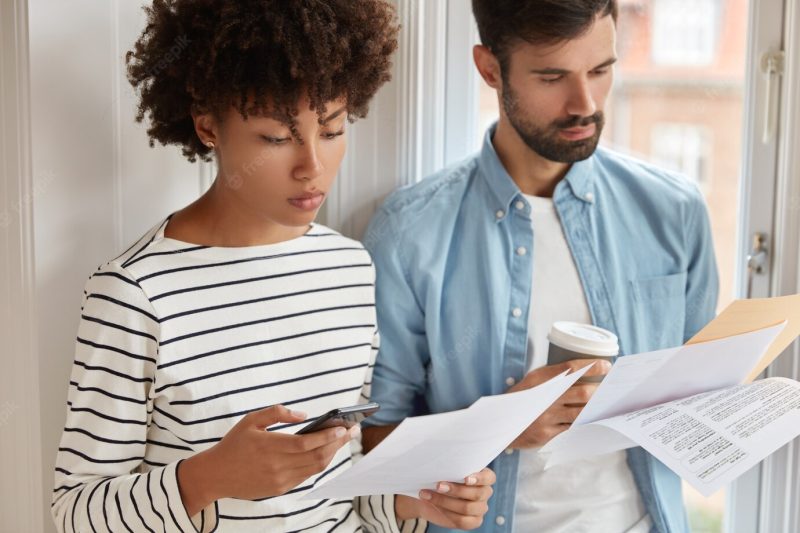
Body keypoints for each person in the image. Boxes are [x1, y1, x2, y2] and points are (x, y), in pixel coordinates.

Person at [50, 1, 494, 531]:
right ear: (208, 124)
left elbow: (340, 486)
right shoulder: (133, 293)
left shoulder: (350, 268)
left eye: (331, 130)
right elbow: (73, 512)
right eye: (276, 138)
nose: (312, 166)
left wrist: (416, 502)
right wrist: (207, 478)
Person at [361, 0, 719, 532]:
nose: (585, 103)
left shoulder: (675, 212)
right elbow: (373, 444)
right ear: (489, 69)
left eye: (601, 70)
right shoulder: (411, 232)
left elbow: (698, 396)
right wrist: (499, 425)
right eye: (553, 77)